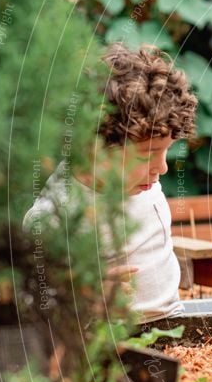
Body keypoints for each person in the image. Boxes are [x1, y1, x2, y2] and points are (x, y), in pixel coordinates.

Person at [24, 43, 197, 323]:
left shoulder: (144, 187)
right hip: (99, 348)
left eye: (166, 151)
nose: (162, 168)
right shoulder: (55, 216)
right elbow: (30, 309)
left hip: (175, 333)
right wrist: (82, 299)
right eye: (147, 154)